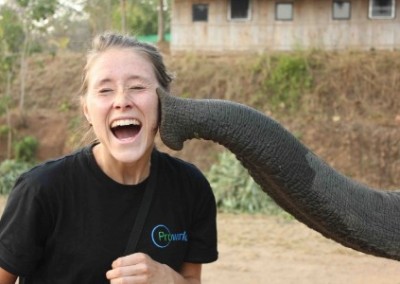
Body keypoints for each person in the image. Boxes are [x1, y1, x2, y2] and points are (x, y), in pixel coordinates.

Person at [0, 32, 218, 283]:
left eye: (137, 87)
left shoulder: (190, 188)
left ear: (164, 102)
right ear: (87, 111)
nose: (122, 101)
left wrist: (168, 279)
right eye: (105, 90)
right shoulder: (41, 190)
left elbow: (191, 278)